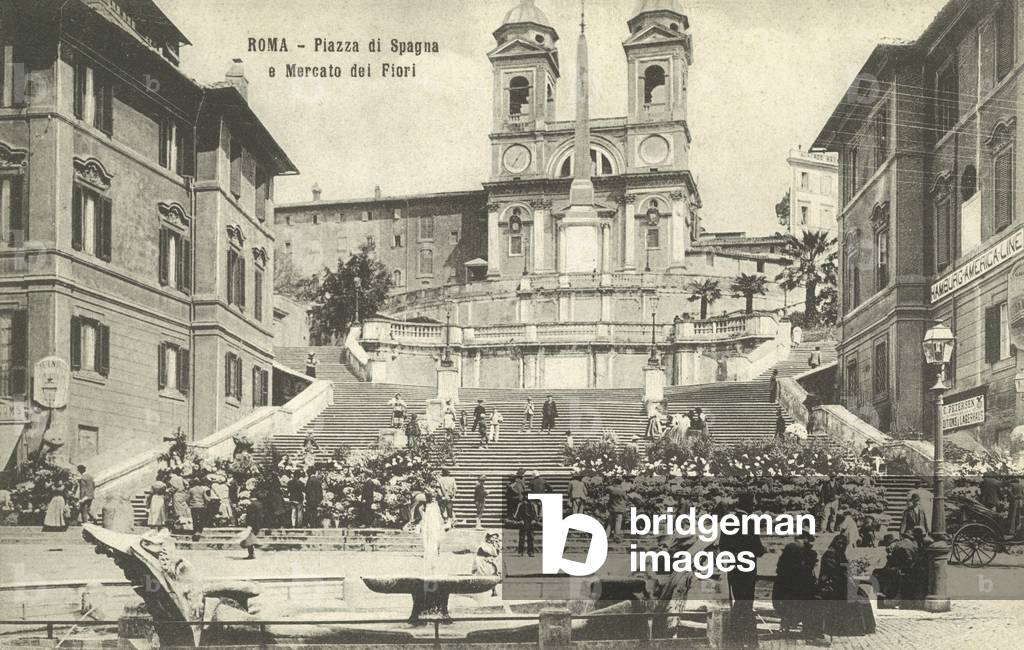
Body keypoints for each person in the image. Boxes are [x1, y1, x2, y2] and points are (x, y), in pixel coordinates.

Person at [718, 492, 766, 648]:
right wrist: (762, 549)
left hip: (733, 569)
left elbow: (722, 546)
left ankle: (736, 640)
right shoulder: (750, 522)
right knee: (746, 605)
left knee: (738, 602)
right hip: (747, 570)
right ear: (749, 505)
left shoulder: (728, 520)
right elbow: (758, 549)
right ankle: (749, 640)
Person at [808, 533, 875, 640]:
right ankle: (852, 628)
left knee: (863, 595)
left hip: (841, 583)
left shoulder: (840, 555)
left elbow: (846, 571)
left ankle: (867, 627)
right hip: (830, 584)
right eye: (839, 543)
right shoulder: (829, 555)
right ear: (835, 543)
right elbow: (835, 572)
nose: (841, 546)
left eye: (843, 544)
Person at [772, 531, 817, 634]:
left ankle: (786, 625)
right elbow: (805, 568)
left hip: (786, 582)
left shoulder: (791, 548)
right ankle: (797, 625)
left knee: (788, 604)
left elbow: (780, 567)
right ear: (805, 539)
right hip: (796, 583)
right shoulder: (802, 550)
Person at [419, 491, 445, 571]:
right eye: (432, 497)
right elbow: (420, 509)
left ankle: (437, 550)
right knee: (428, 537)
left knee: (437, 537)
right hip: (428, 523)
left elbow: (439, 514)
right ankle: (428, 551)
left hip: (435, 523)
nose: (433, 499)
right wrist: (423, 516)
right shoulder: (426, 504)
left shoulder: (437, 504)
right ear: (429, 497)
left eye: (434, 497)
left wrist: (441, 521)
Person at [472, 532, 502, 596]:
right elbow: (491, 553)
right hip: (482, 561)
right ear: (489, 538)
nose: (494, 539)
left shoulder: (494, 544)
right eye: (493, 537)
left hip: (489, 560)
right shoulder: (484, 545)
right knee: (486, 574)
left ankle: (494, 590)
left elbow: (496, 554)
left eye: (495, 538)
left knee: (493, 573)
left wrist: (497, 547)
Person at [240, 491, 265, 559]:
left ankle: (251, 554)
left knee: (249, 539)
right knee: (250, 538)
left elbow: (251, 516)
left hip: (252, 524)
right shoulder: (260, 504)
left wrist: (249, 524)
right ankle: (252, 553)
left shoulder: (252, 505)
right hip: (258, 523)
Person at [513, 492, 537, 557]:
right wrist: (520, 520)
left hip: (530, 522)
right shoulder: (520, 504)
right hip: (523, 522)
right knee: (522, 537)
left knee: (530, 537)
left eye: (527, 495)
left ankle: (530, 552)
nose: (526, 497)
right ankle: (520, 552)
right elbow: (517, 513)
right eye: (525, 495)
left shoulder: (532, 504)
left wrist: (534, 519)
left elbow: (535, 513)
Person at [167, 468, 190, 533]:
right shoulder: (181, 478)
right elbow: (187, 485)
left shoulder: (173, 479)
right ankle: (187, 524)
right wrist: (185, 490)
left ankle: (180, 526)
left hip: (177, 495)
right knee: (184, 508)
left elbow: (174, 487)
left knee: (178, 510)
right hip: (183, 494)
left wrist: (168, 491)